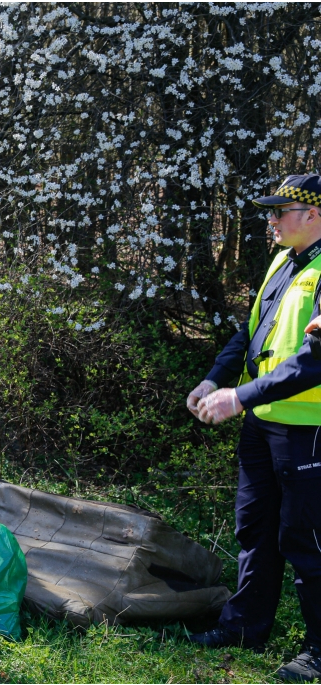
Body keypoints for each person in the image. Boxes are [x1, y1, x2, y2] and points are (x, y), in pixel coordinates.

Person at [186, 174, 321, 682]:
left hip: (309, 430)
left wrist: (238, 397)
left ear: (312, 214)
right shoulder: (285, 260)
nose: (270, 220)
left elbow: (315, 360)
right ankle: (244, 626)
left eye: (279, 211)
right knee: (255, 530)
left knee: (306, 539)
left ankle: (320, 651)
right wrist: (214, 377)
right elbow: (251, 331)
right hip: (264, 427)